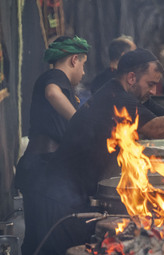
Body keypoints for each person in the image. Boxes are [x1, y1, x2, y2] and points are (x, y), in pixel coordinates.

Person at [21, 48, 164, 255]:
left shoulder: (126, 94)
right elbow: (157, 128)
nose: (153, 91)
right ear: (131, 78)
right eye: (151, 84)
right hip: (58, 198)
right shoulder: (114, 97)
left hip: (73, 196)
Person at [15, 35, 90, 254]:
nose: (84, 72)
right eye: (84, 65)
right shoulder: (55, 77)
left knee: (41, 239)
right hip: (43, 169)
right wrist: (80, 123)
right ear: (74, 59)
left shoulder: (60, 83)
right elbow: (52, 93)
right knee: (45, 242)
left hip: (43, 169)